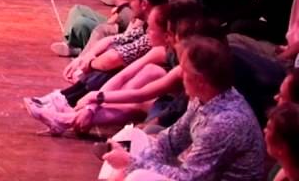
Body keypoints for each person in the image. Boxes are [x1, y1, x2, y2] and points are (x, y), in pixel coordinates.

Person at [107, 37, 266, 181]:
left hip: (197, 177)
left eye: (185, 71)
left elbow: (189, 178)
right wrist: (133, 161)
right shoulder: (202, 98)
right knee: (130, 138)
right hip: (195, 171)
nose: (180, 75)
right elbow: (171, 141)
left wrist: (131, 163)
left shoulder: (224, 123)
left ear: (200, 81)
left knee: (137, 176)